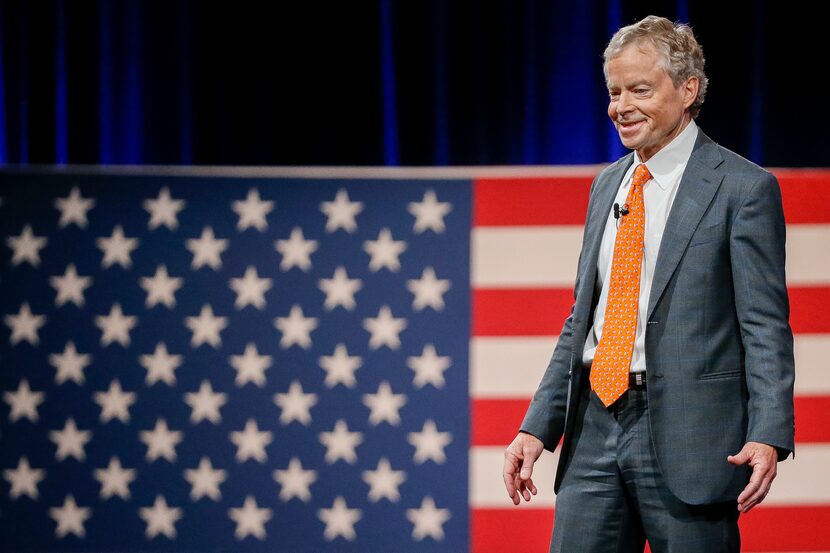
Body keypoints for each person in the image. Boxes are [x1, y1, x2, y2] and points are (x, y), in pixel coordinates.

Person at [502, 15, 794, 552]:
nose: (621, 106)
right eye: (614, 92)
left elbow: (764, 323)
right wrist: (536, 428)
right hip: (592, 427)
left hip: (691, 438)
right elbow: (583, 320)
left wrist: (769, 429)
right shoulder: (606, 184)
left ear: (688, 90)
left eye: (640, 89)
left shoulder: (742, 189)